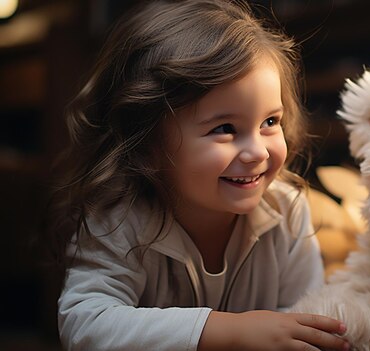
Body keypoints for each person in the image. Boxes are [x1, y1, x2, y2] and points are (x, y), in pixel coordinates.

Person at [49, 1, 349, 350]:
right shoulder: (119, 219)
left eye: (270, 122)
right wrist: (229, 331)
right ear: (146, 141)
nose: (258, 152)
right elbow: (85, 325)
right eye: (225, 128)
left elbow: (304, 319)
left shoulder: (288, 212)